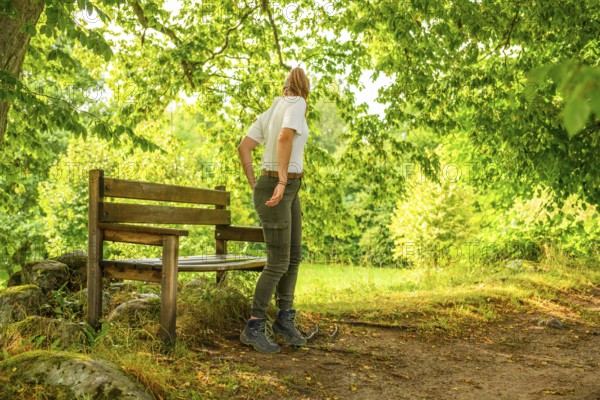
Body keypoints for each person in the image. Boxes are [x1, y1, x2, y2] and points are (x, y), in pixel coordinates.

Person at [237, 67, 310, 354]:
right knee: (279, 261)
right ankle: (254, 326)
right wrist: (278, 180)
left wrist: (257, 182)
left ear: (285, 87)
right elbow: (283, 138)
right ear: (304, 89)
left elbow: (244, 148)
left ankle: (284, 319)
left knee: (293, 256)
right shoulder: (297, 104)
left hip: (287, 187)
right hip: (282, 185)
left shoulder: (274, 108)